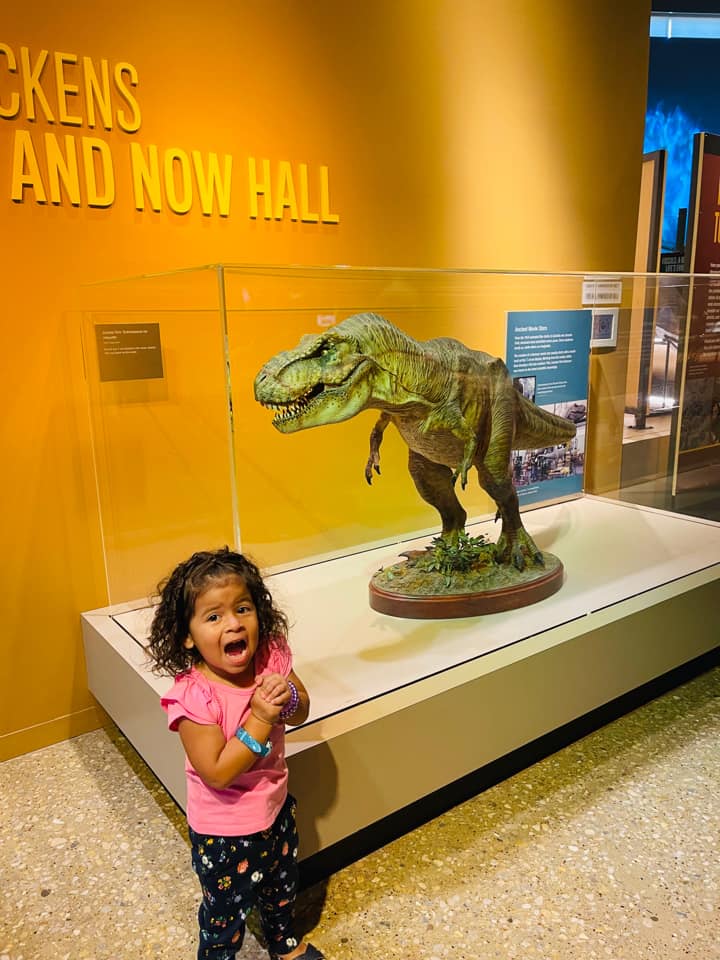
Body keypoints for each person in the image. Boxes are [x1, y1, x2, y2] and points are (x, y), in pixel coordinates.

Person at [146, 547, 324, 960]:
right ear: (187, 635)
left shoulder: (270, 656)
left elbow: (301, 712)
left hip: (276, 809)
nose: (233, 623)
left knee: (281, 888)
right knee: (224, 917)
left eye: (243, 608)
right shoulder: (194, 697)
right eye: (213, 616)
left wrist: (289, 695)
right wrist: (261, 716)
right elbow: (218, 772)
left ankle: (283, 941)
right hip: (223, 833)